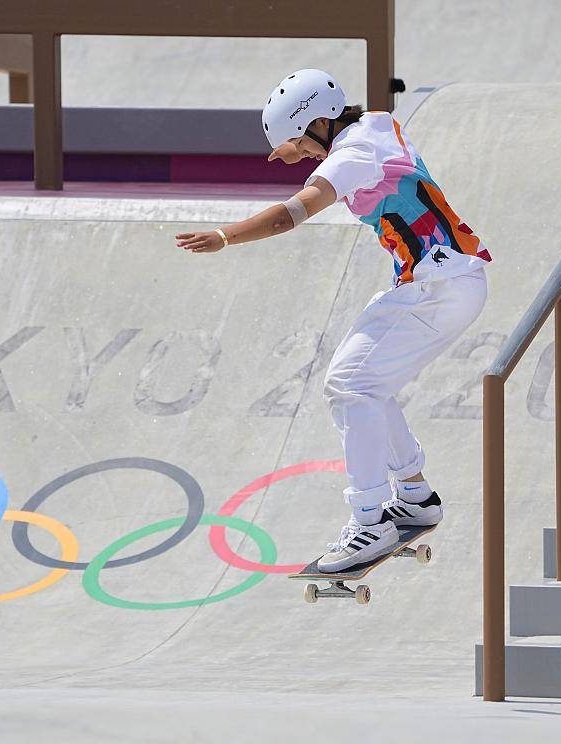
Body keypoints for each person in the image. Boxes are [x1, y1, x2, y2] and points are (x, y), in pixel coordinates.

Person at [175, 68, 490, 573]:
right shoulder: (378, 124)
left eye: (298, 143)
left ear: (320, 121)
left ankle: (369, 520)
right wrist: (292, 140)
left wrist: (224, 236)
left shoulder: (351, 156)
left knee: (349, 385)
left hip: (439, 286)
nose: (297, 155)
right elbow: (341, 145)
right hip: (446, 280)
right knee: (365, 385)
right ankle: (413, 495)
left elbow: (288, 216)